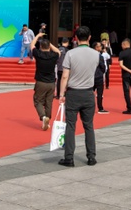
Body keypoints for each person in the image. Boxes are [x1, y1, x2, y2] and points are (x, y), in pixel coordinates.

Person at [57, 25, 99, 167]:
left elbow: (65, 76)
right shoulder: (96, 54)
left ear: (75, 38)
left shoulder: (70, 54)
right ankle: (91, 157)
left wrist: (61, 94)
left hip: (73, 93)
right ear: (89, 37)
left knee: (70, 125)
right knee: (89, 126)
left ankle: (69, 158)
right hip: (88, 93)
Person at [31, 32, 60, 130]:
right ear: (49, 46)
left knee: (38, 101)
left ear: (40, 46)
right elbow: (58, 51)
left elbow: (32, 45)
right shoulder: (54, 55)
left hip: (41, 82)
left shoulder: (38, 54)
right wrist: (49, 43)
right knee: (49, 102)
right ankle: (47, 120)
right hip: (51, 83)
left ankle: (43, 117)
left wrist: (38, 36)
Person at [92, 41, 108, 114]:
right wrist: (102, 71)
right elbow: (102, 67)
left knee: (89, 93)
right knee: (99, 93)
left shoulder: (90, 55)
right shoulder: (99, 56)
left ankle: (89, 107)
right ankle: (100, 108)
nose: (101, 47)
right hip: (98, 76)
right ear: (96, 47)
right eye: (99, 46)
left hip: (91, 76)